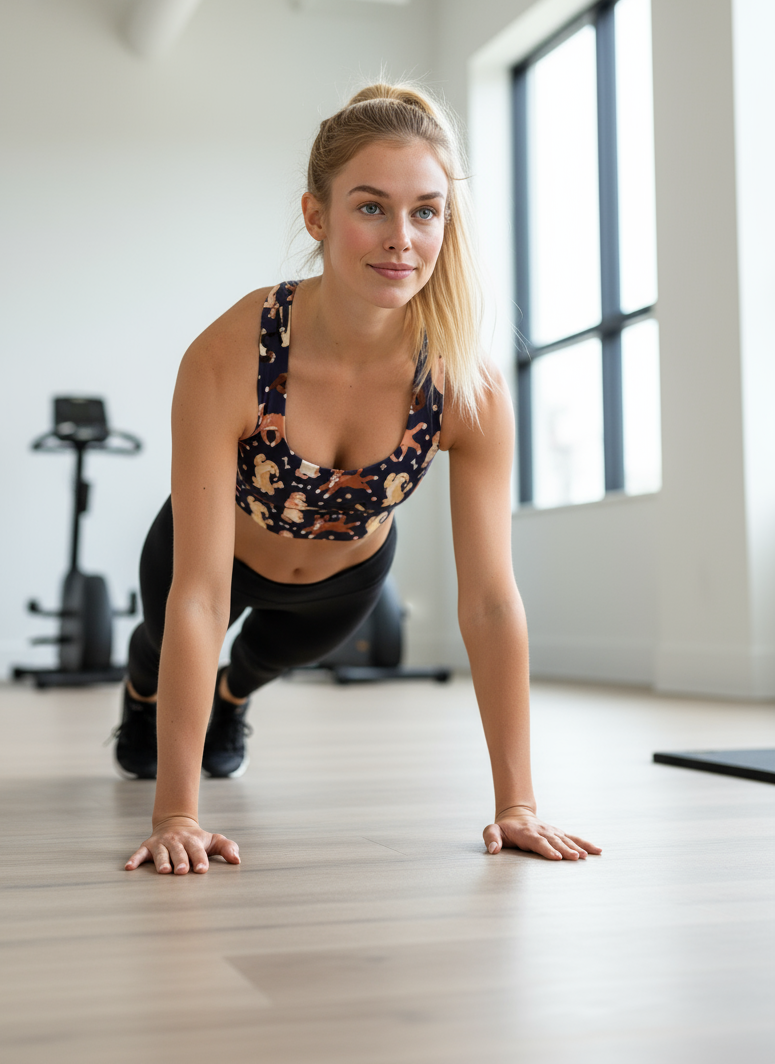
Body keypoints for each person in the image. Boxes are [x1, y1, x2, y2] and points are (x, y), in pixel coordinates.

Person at [119, 82, 602, 875]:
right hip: (210, 556)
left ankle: (230, 704)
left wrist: (517, 804)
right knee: (162, 644)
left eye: (426, 211)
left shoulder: (463, 386)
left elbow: (488, 599)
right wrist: (176, 814)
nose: (401, 239)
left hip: (343, 582)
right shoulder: (229, 355)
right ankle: (142, 703)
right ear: (317, 215)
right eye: (371, 207)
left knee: (255, 667)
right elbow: (200, 594)